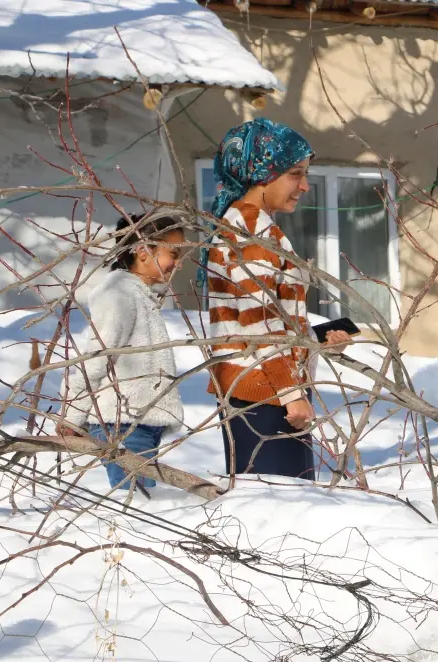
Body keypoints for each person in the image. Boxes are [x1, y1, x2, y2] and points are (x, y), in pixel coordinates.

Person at [204, 118, 352, 480]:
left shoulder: (250, 225)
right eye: (294, 174)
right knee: (280, 513)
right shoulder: (251, 232)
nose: (304, 185)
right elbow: (261, 327)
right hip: (264, 398)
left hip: (263, 390)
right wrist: (291, 395)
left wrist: (316, 343)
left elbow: (262, 319)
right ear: (262, 172)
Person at [59, 214, 187, 492]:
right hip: (123, 425)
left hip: (140, 425)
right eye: (173, 253)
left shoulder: (141, 296)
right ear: (142, 251)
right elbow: (94, 359)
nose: (178, 263)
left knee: (145, 499)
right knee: (136, 504)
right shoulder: (119, 295)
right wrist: (71, 416)